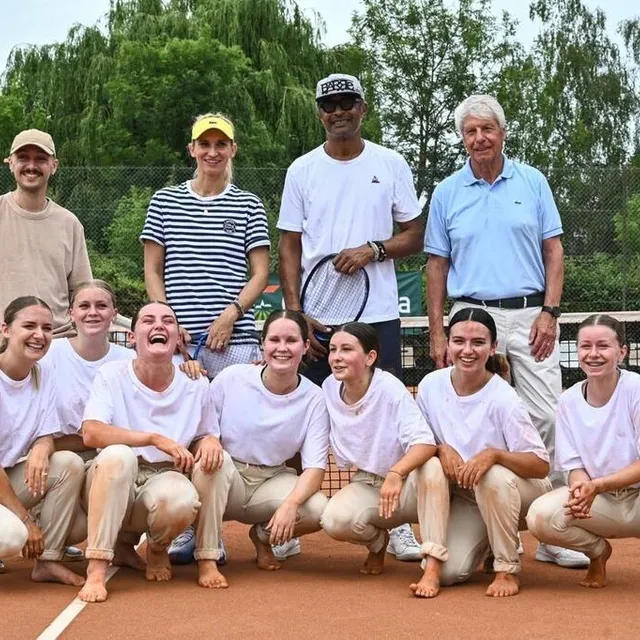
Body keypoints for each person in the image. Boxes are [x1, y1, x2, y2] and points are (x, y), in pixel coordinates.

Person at [424, 94, 587, 568]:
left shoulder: (533, 181)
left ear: (502, 132)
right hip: (470, 316)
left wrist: (550, 312)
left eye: (487, 129)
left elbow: (554, 252)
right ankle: (478, 518)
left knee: (548, 418)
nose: (479, 138)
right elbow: (436, 264)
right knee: (468, 418)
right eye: (470, 132)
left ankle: (551, 532)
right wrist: (439, 330)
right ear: (463, 139)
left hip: (528, 313)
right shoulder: (447, 191)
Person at [278, 73, 425, 560]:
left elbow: (415, 236)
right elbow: (290, 245)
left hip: (377, 315)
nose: (337, 111)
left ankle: (399, 520)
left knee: (390, 413)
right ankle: (291, 514)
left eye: (347, 103)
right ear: (320, 113)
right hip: (317, 321)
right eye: (329, 105)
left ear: (362, 108)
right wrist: (297, 315)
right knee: (304, 415)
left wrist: (374, 250)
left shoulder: (390, 163)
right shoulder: (301, 169)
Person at [140, 113, 281, 562]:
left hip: (236, 342)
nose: (213, 152)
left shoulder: (248, 204)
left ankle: (267, 525)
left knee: (237, 436)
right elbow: (152, 270)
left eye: (222, 144)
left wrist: (231, 314)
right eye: (206, 144)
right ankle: (197, 532)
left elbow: (260, 272)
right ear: (192, 149)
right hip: (180, 344)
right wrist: (168, 322)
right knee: (186, 434)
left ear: (233, 150)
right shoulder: (163, 201)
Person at [77, 301, 224, 603]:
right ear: (132, 338)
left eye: (168, 321)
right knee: (119, 456)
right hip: (112, 475)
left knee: (182, 499)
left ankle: (157, 549)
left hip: (164, 476)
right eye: (148, 321)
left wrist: (210, 440)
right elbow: (91, 432)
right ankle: (97, 568)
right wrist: (154, 439)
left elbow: (204, 433)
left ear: (177, 338)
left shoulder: (197, 384)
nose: (159, 325)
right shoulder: (111, 374)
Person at [416, 308, 551, 596]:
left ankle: (507, 568)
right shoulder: (430, 386)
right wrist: (440, 449)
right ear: (447, 344)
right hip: (467, 495)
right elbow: (417, 441)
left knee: (494, 476)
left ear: (493, 348)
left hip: (520, 490)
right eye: (459, 341)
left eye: (478, 342)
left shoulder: (504, 398)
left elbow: (540, 465)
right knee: (452, 573)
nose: (467, 350)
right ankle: (449, 557)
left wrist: (495, 455)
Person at [199, 310, 330, 586]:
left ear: (305, 347)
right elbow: (204, 431)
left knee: (319, 510)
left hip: (272, 479)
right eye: (274, 340)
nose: (282, 348)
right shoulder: (231, 377)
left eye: (291, 340)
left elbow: (315, 468)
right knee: (210, 462)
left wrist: (291, 504)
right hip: (228, 475)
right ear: (263, 343)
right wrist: (209, 440)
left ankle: (262, 536)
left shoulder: (315, 398)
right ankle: (207, 558)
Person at [319, 322, 448, 597]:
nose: (336, 357)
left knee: (433, 467)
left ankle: (433, 566)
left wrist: (396, 472)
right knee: (333, 520)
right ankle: (378, 543)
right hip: (367, 482)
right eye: (332, 350)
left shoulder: (389, 387)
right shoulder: (329, 387)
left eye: (346, 349)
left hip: (410, 482)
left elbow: (425, 443)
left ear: (370, 357)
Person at [527, 314, 640, 589]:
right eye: (585, 346)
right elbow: (574, 465)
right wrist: (580, 490)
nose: (593, 354)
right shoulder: (567, 401)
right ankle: (598, 553)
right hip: (601, 501)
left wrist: (597, 485)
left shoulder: (636, 388)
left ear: (621, 352)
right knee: (540, 517)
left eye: (603, 346)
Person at [0, 296, 86, 586]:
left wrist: (41, 446)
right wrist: (25, 518)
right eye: (29, 326)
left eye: (47, 328)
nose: (40, 335)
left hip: (7, 476)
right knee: (13, 535)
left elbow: (47, 432)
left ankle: (48, 561)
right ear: (5, 330)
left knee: (67, 464)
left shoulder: (43, 373)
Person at [1, 129, 92, 336]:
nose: (31, 166)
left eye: (40, 159)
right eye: (23, 158)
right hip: (3, 345)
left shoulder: (69, 223)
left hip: (55, 341)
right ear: (10, 163)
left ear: (54, 166)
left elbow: (82, 294)